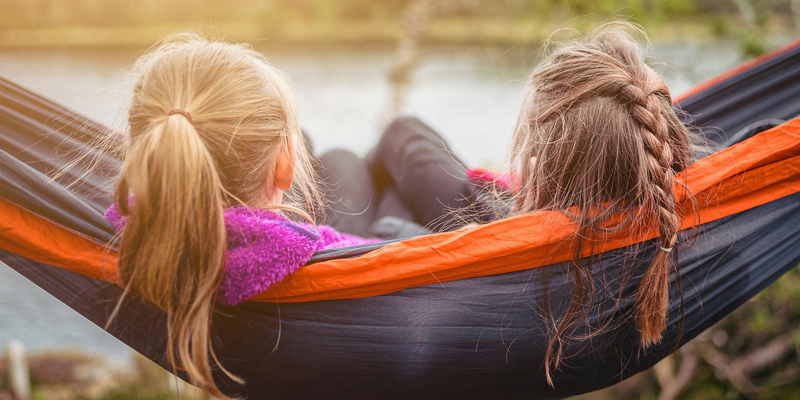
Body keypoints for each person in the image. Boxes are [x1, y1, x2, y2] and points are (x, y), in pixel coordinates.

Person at [322, 22, 698, 383]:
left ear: (537, 168)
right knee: (390, 153)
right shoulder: (684, 218)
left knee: (350, 157)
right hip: (517, 226)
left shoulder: (512, 279)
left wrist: (529, 205)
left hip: (478, 243)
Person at [104, 34, 376, 398]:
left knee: (322, 148)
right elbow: (391, 253)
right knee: (368, 150)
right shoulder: (323, 251)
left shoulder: (134, 230)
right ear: (286, 165)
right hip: (365, 253)